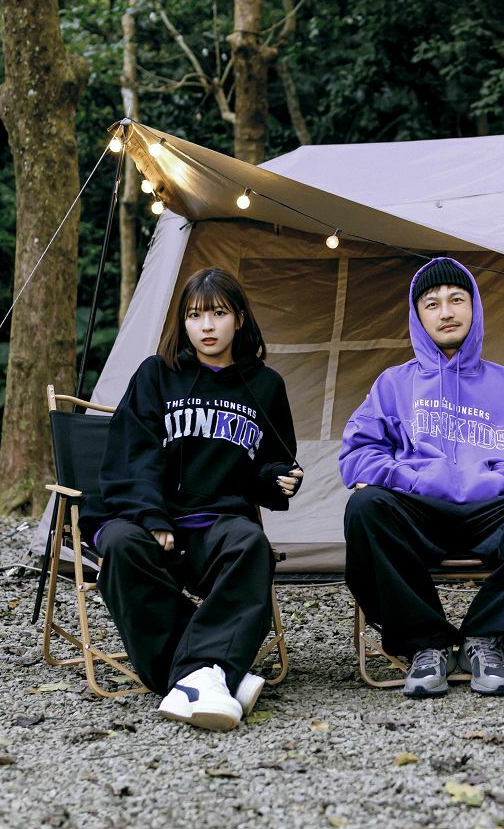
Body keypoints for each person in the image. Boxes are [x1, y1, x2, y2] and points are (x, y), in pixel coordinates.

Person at [340, 257, 504, 698]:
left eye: (457, 300)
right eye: (432, 304)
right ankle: (427, 643)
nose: (446, 312)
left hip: (492, 508)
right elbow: (359, 452)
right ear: (418, 316)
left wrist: (503, 478)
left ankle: (486, 638)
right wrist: (406, 478)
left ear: (474, 308)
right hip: (419, 508)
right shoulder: (393, 384)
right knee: (365, 508)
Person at [83, 267, 303, 731]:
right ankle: (216, 673)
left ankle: (198, 677)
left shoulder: (265, 385)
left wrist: (278, 479)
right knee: (120, 546)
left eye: (218, 314)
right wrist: (151, 515)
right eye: (195, 315)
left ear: (238, 319)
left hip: (219, 519)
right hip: (148, 516)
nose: (206, 326)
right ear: (182, 322)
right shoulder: (156, 374)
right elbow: (134, 451)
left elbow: (271, 463)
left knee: (251, 546)